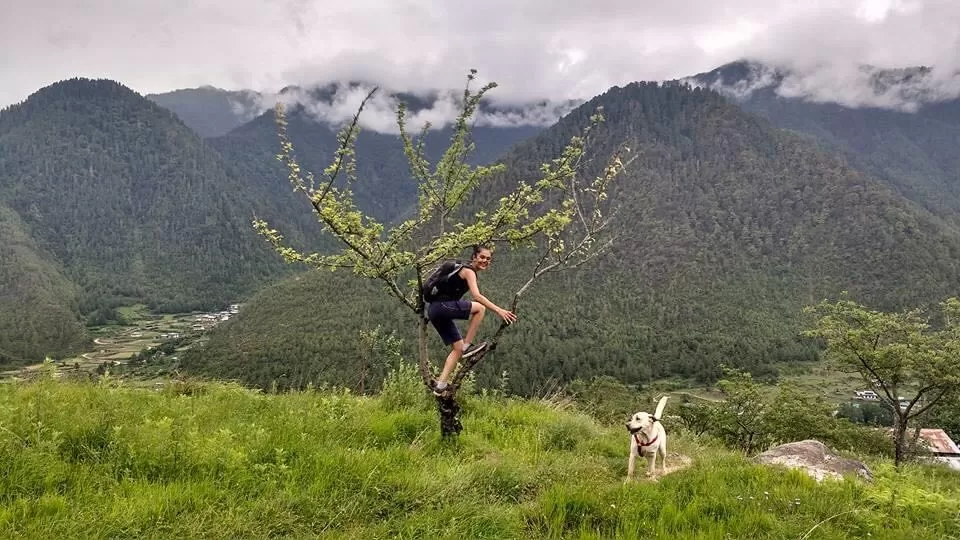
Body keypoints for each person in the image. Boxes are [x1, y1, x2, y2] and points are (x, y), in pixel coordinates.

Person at [426, 245, 517, 396]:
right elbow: (477, 296)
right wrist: (500, 310)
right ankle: (468, 346)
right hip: (441, 307)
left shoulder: (461, 269)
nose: (485, 261)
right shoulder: (469, 271)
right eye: (482, 257)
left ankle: (440, 385)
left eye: (488, 259)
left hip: (434, 310)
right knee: (480, 309)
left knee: (457, 348)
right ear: (474, 257)